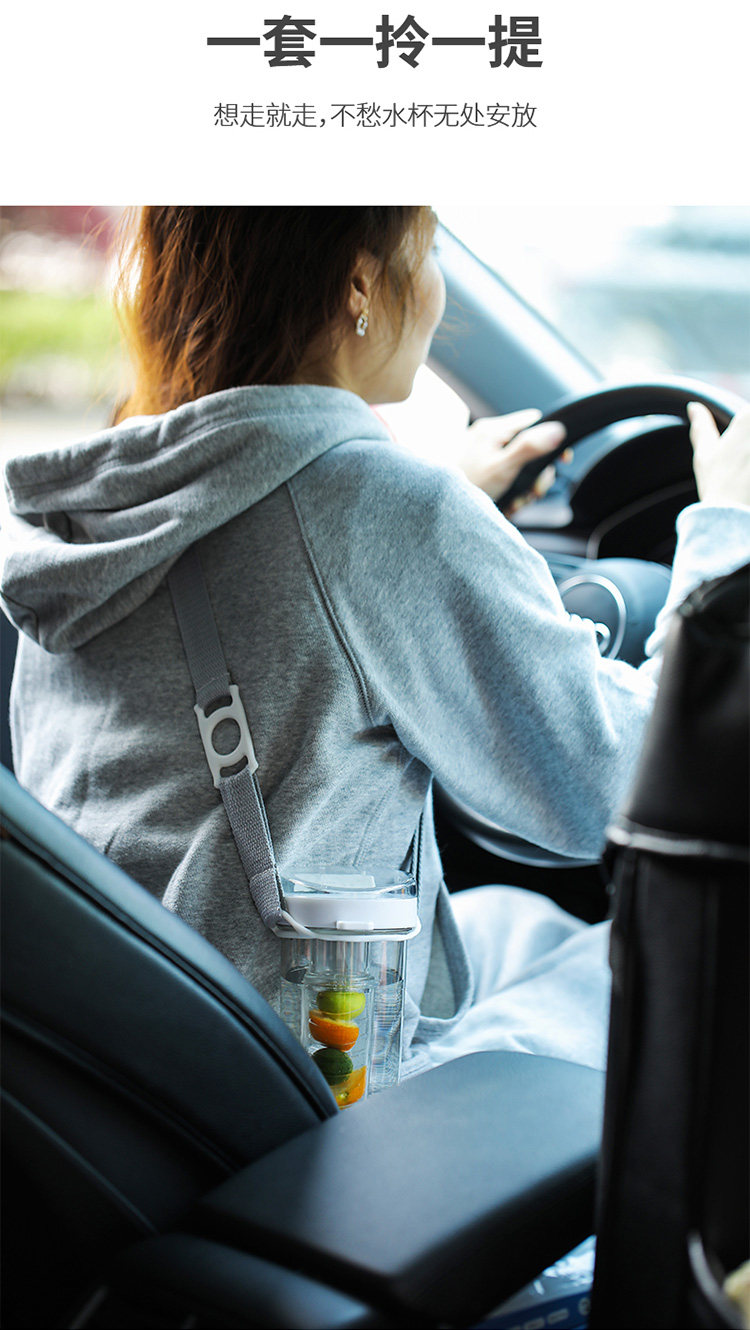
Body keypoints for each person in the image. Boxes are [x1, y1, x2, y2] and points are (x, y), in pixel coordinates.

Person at [2, 206, 749, 1077]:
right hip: (326, 1079)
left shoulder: (97, 518)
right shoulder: (385, 515)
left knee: (521, 921)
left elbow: (285, 567)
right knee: (691, 961)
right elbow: (628, 787)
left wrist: (444, 503)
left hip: (135, 1064)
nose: (433, 291)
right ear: (360, 284)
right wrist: (724, 533)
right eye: (425, 255)